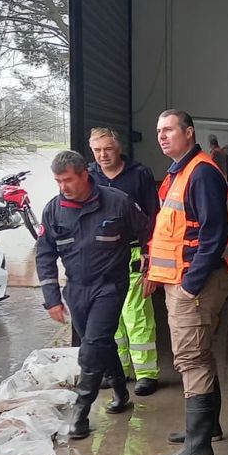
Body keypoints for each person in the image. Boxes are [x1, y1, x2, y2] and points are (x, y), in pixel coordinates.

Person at [141, 110, 228, 455]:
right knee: (200, 354)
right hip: (184, 279)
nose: (162, 136)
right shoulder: (180, 172)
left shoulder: (201, 172)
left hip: (194, 282)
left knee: (191, 358)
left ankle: (199, 448)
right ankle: (208, 428)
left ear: (189, 132)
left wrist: (190, 284)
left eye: (169, 130)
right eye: (158, 131)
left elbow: (214, 235)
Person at [36, 150, 151, 439]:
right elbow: (45, 254)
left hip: (110, 285)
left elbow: (148, 232)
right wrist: (52, 298)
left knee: (91, 347)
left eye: (68, 180)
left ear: (84, 175)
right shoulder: (53, 210)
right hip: (76, 288)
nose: (63, 187)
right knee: (99, 342)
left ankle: (81, 413)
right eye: (58, 181)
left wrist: (149, 266)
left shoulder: (117, 202)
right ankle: (121, 392)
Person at [88, 127, 162, 396]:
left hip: (132, 254)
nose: (103, 155)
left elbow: (154, 217)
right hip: (100, 258)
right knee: (110, 318)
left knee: (137, 316)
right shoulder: (88, 175)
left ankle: (146, 374)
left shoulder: (139, 174)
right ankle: (119, 369)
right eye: (97, 150)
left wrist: (150, 256)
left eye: (108, 149)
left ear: (119, 148)